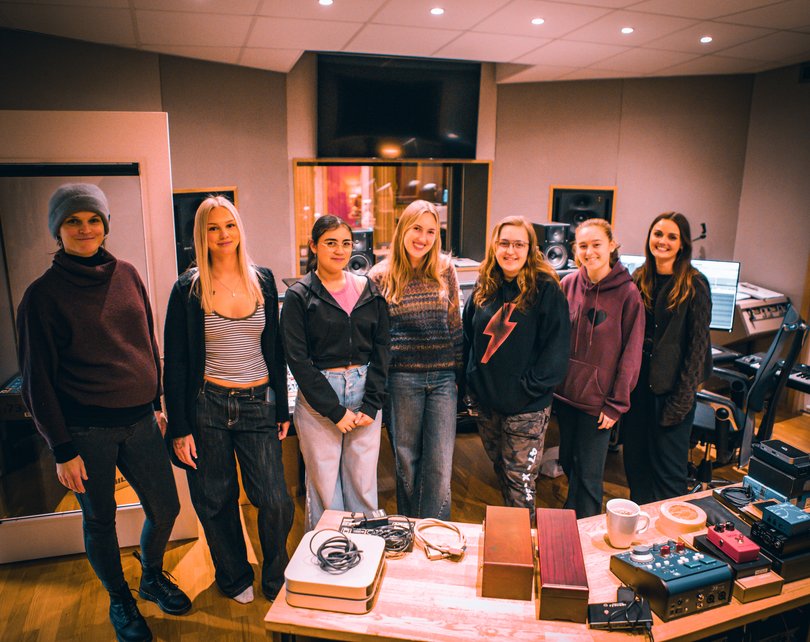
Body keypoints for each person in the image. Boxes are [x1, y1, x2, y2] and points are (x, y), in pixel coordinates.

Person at [16, 183, 190, 642]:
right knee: (100, 521)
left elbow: (146, 342)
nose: (85, 228)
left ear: (105, 225)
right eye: (73, 221)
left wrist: (156, 403)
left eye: (93, 219)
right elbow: (36, 382)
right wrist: (62, 450)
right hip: (84, 431)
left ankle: (150, 577)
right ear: (57, 230)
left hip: (141, 423)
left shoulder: (127, 274)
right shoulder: (42, 296)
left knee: (166, 508)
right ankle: (120, 600)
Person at [163, 196, 293, 604]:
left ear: (239, 229)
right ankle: (234, 577)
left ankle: (276, 575)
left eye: (229, 225)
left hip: (258, 402)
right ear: (201, 234)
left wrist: (282, 407)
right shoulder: (188, 288)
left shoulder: (263, 280)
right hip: (208, 406)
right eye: (213, 227)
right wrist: (179, 427)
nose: (223, 234)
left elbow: (275, 349)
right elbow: (176, 362)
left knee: (275, 499)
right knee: (215, 499)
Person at [281, 215, 390, 531]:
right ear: (314, 246)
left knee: (363, 485)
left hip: (364, 391)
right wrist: (334, 410)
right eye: (330, 243)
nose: (340, 250)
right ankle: (331, 554)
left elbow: (382, 347)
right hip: (320, 398)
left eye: (346, 243)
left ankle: (365, 552)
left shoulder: (368, 289)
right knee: (326, 489)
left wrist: (372, 403)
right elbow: (298, 360)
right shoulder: (299, 295)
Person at [463, 216, 569, 511]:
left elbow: (556, 352)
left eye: (519, 244)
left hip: (527, 406)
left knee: (519, 483)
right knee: (501, 469)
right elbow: (469, 337)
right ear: (494, 247)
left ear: (530, 249)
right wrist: (473, 383)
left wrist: (526, 389)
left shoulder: (546, 289)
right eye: (504, 243)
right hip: (487, 404)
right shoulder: (485, 285)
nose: (510, 251)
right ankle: (509, 534)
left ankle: (522, 538)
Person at [368, 200, 462, 520]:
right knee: (406, 461)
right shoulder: (379, 276)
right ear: (403, 230)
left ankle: (435, 533)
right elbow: (375, 338)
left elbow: (455, 324)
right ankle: (410, 528)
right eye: (417, 229)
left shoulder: (445, 269)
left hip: (442, 379)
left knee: (439, 464)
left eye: (431, 232)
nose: (423, 238)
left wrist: (459, 375)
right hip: (401, 379)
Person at [554, 219, 645, 518]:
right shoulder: (567, 284)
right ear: (575, 250)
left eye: (596, 244)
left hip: (598, 403)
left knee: (589, 477)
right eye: (583, 246)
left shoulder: (628, 294)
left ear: (611, 246)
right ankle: (572, 519)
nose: (589, 251)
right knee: (568, 463)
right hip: (565, 395)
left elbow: (631, 354)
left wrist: (617, 404)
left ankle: (585, 527)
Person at [621, 212, 712, 504]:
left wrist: (680, 403)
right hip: (638, 392)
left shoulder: (695, 284)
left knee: (668, 477)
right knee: (636, 468)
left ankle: (669, 532)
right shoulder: (639, 277)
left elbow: (698, 348)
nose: (663, 241)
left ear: (682, 244)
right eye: (658, 234)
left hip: (672, 393)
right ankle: (640, 527)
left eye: (672, 236)